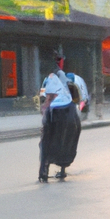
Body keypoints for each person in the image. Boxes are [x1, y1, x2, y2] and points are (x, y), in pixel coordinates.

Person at [39, 54, 82, 182]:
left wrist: (45, 107)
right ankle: (61, 170)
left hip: (57, 114)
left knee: (47, 141)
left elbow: (47, 96)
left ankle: (44, 171)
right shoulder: (63, 77)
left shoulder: (52, 77)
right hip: (69, 114)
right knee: (65, 141)